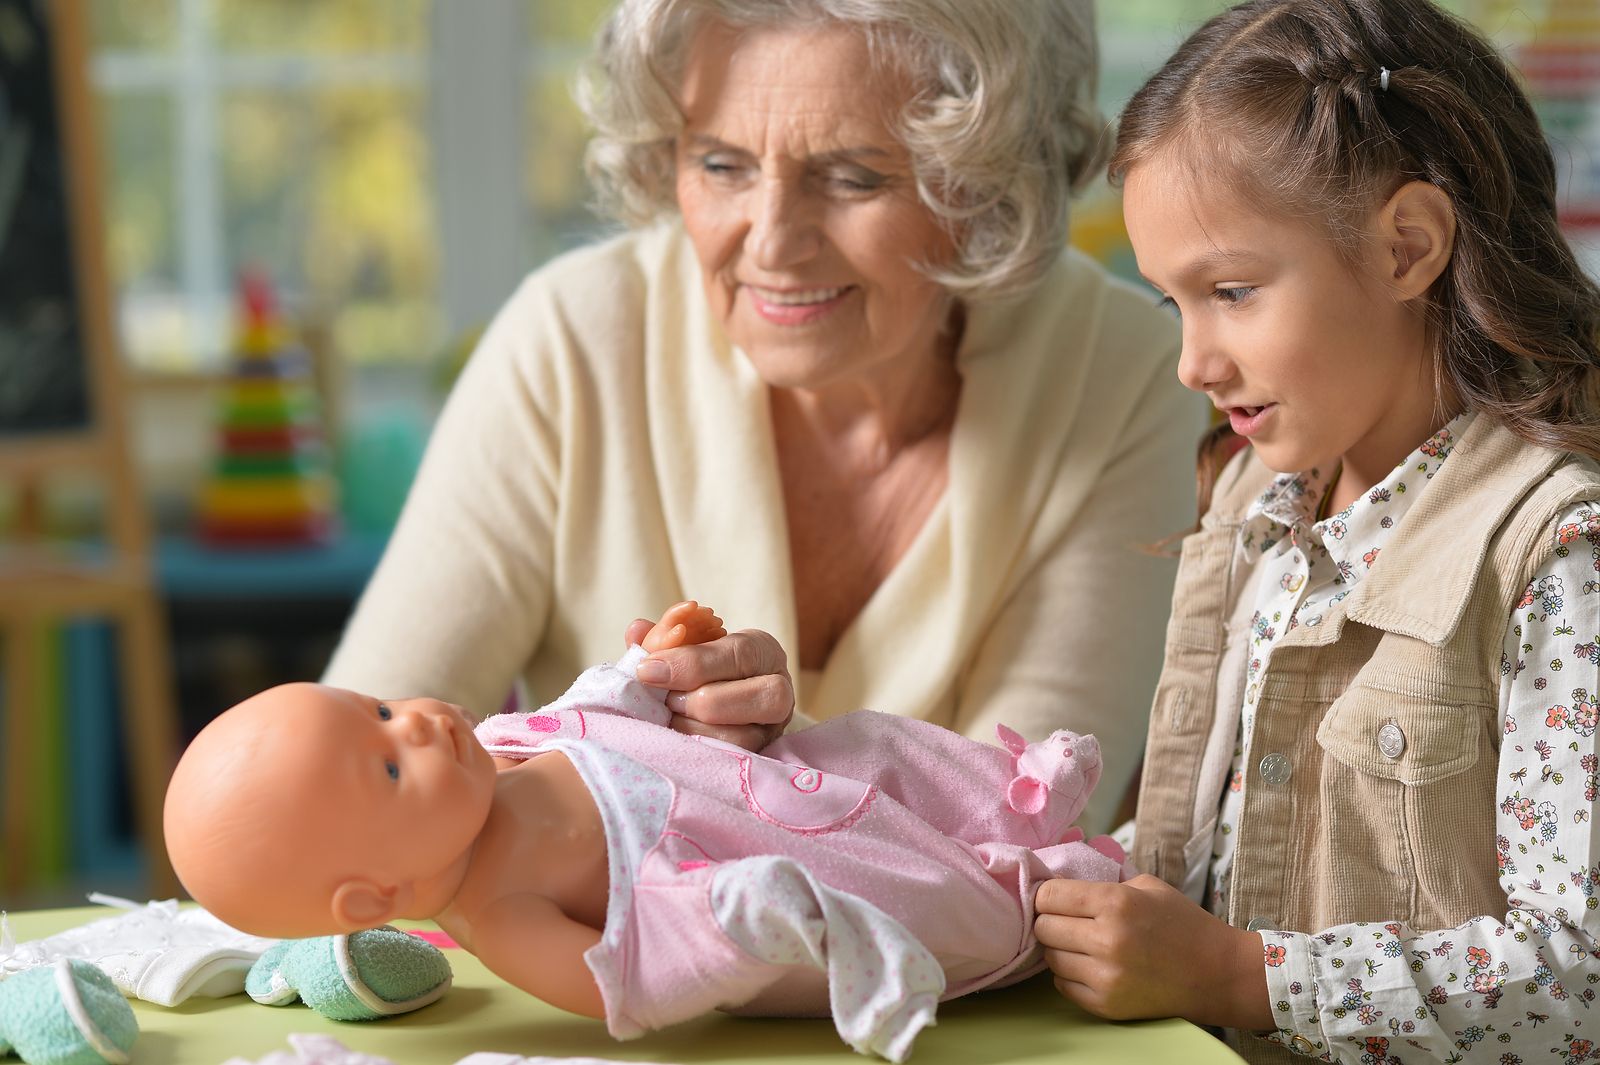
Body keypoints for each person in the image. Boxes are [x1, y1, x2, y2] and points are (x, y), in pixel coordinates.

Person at [319, 0, 1204, 831]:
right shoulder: (573, 340)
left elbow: (1021, 839)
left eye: (854, 177)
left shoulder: (1123, 372)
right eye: (720, 164)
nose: (773, 242)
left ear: (992, 183)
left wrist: (708, 777)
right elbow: (339, 791)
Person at [1030, 0, 1600, 1061]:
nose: (1192, 364)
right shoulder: (1260, 501)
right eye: (1174, 305)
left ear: (1407, 247)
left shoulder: (1557, 558)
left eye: (1231, 292)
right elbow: (1230, 844)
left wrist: (1238, 976)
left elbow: (1579, 973)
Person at [164, 602, 1125, 1062]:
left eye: (376, 708)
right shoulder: (503, 915)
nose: (412, 722)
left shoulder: (497, 746)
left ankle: (1015, 793)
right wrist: (726, 920)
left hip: (789, 780)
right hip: (770, 869)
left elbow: (590, 713)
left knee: (876, 744)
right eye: (384, 765)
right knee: (913, 888)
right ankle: (1033, 890)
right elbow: (627, 980)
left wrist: (648, 663)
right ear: (374, 897)